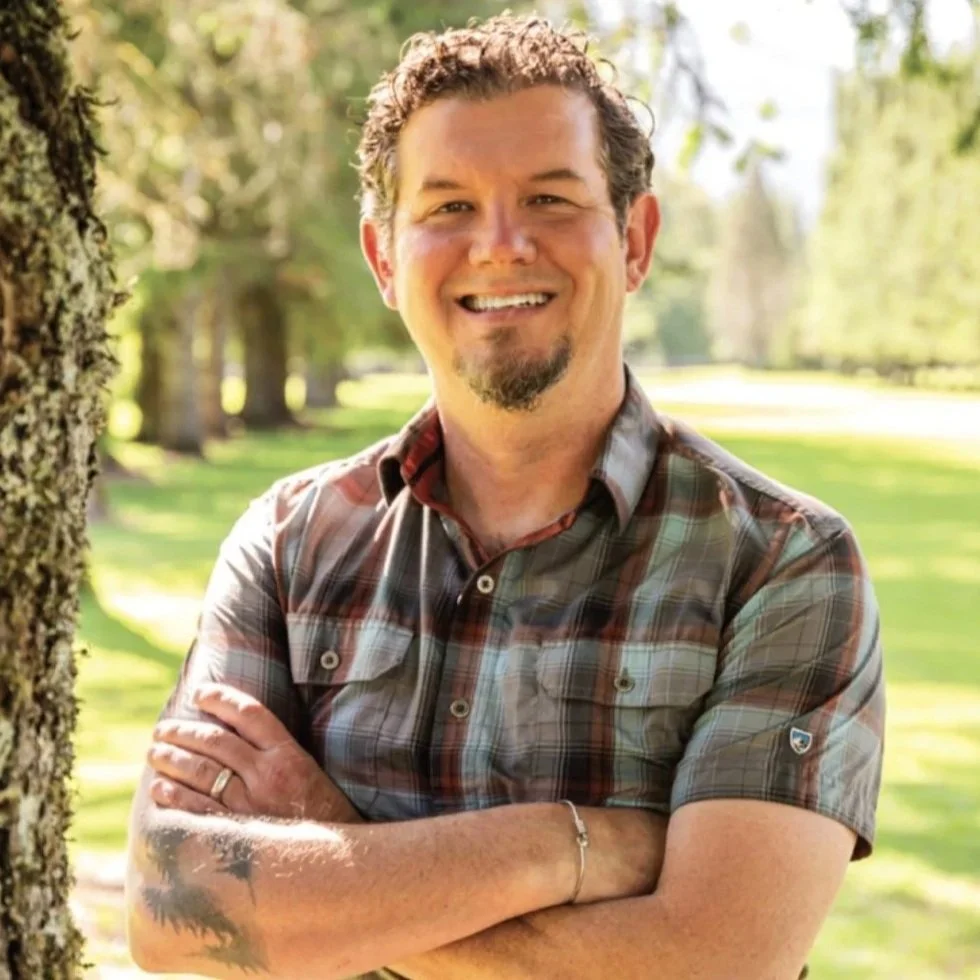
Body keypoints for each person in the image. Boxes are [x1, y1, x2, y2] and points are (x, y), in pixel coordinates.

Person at [124, 14, 885, 979]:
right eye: (446, 207)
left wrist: (324, 843)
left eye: (550, 197)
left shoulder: (782, 564)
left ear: (636, 238)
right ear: (385, 261)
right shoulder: (286, 543)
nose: (500, 244)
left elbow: (715, 963)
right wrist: (570, 848)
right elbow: (171, 911)